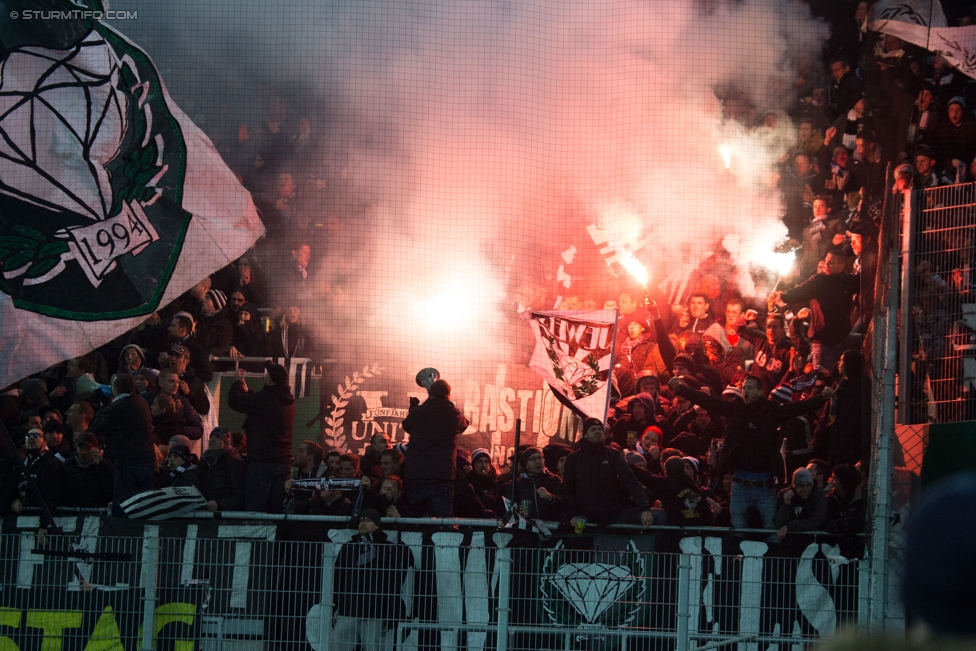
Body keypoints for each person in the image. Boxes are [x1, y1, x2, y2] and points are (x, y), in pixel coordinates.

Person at [670, 375, 833, 538]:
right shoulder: (735, 408)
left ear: (760, 392)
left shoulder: (771, 410)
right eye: (744, 388)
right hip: (740, 483)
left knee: (770, 527)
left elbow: (797, 407)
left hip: (765, 484)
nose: (746, 391)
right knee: (738, 527)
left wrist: (821, 398)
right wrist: (681, 388)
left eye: (750, 388)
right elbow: (707, 400)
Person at [332, 509, 413, 651]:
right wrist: (336, 605)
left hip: (375, 612)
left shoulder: (388, 548)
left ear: (377, 525)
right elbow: (338, 578)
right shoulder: (349, 547)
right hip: (348, 610)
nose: (363, 523)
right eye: (361, 520)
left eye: (367, 520)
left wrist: (390, 610)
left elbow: (395, 581)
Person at [776, 247, 860, 375]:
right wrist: (783, 296)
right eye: (826, 261)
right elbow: (800, 291)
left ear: (841, 265)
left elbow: (866, 279)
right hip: (823, 344)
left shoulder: (848, 281)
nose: (826, 264)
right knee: (820, 382)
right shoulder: (818, 281)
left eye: (831, 262)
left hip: (843, 338)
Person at [562, 419, 655, 529]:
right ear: (585, 434)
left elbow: (631, 481)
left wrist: (644, 508)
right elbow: (568, 489)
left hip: (611, 518)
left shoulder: (613, 455)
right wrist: (572, 515)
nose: (597, 431)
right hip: (584, 520)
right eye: (593, 429)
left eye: (599, 429)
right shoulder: (574, 459)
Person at [228, 361, 296, 513]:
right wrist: (248, 393)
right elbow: (260, 405)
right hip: (283, 463)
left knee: (255, 510)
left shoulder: (265, 398)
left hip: (262, 463)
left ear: (270, 379)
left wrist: (237, 383)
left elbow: (234, 401)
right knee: (275, 510)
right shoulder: (288, 401)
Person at [90, 373, 157, 517]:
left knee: (124, 506)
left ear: (115, 388)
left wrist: (102, 403)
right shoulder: (141, 402)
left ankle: (122, 534)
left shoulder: (118, 407)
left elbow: (97, 426)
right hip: (146, 461)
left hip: (127, 464)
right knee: (143, 507)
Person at [400, 379, 469, 517]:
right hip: (441, 475)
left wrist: (414, 409)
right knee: (441, 524)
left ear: (430, 392)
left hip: (416, 474)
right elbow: (465, 424)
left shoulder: (418, 412)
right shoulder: (453, 414)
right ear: (448, 394)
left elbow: (407, 425)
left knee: (414, 520)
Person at [500, 447, 563, 521]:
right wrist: (518, 512)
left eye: (540, 458)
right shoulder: (517, 484)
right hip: (528, 529)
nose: (537, 461)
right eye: (532, 459)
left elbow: (565, 506)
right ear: (525, 465)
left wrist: (551, 498)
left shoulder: (554, 480)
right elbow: (507, 511)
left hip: (552, 528)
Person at [60, 432, 114, 509]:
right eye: (81, 448)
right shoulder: (67, 465)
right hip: (73, 511)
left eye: (87, 449)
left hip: (97, 511)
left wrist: (101, 465)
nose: (84, 452)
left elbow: (109, 488)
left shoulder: (106, 466)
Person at [774, 467, 827, 543]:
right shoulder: (784, 494)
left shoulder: (819, 495)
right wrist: (785, 505)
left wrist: (790, 526)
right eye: (801, 486)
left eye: (809, 485)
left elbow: (816, 522)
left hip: (811, 543)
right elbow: (779, 524)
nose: (805, 490)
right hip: (788, 542)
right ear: (794, 486)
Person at [199, 428, 247, 512]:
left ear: (225, 442)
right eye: (211, 437)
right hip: (204, 512)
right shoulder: (203, 462)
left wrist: (220, 504)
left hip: (224, 515)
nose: (212, 440)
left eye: (217, 438)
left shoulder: (234, 464)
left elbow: (240, 496)